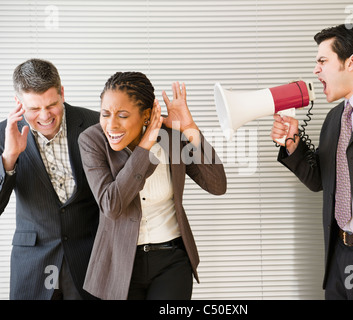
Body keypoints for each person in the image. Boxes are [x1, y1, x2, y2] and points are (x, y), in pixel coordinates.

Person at [271, 24, 353, 299]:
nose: (316, 70)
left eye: (322, 61)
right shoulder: (334, 119)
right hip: (340, 258)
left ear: (352, 61)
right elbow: (321, 181)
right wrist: (293, 145)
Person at [78, 71, 226, 300]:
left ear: (147, 115)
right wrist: (144, 149)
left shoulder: (172, 136)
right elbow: (112, 205)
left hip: (172, 261)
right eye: (105, 114)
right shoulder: (92, 141)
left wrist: (189, 128)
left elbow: (216, 184)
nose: (111, 124)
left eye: (123, 115)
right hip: (119, 264)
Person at [0, 58, 99, 299]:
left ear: (62, 92)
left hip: (88, 259)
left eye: (52, 104)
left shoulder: (96, 124)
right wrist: (9, 158)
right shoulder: (3, 135)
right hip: (33, 263)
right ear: (18, 103)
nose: (45, 116)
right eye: (34, 109)